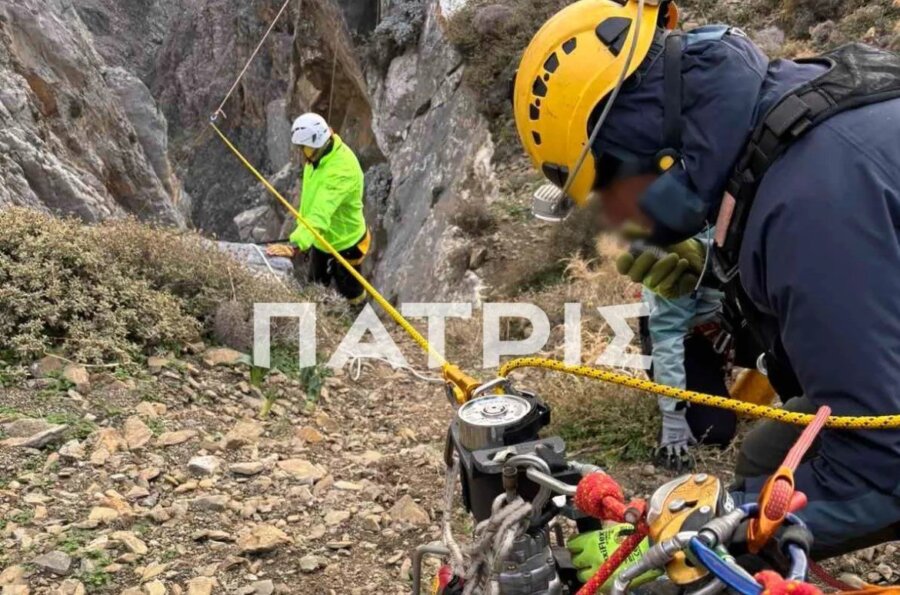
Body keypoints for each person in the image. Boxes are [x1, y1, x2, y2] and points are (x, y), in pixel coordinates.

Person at [512, 0, 900, 564]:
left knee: (727, 539)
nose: (624, 218)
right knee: (770, 454)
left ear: (645, 145)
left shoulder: (803, 210)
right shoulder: (786, 112)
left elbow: (886, 461)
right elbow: (845, 318)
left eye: (611, 190)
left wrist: (712, 532)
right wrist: (727, 293)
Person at [626, 234, 738, 472]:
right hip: (688, 334)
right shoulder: (678, 246)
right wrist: (673, 413)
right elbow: (668, 335)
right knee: (715, 430)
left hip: (733, 318)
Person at [267, 113, 370, 305]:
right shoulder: (318, 158)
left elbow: (320, 213)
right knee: (315, 284)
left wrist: (296, 245)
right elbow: (312, 202)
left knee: (351, 291)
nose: (300, 152)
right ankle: (319, 317)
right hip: (320, 238)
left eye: (302, 148)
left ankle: (360, 321)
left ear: (314, 144)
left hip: (346, 243)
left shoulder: (341, 172)